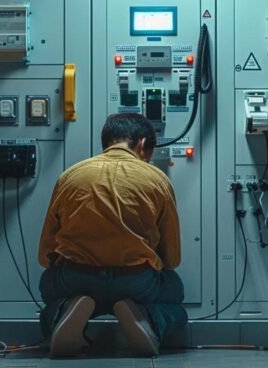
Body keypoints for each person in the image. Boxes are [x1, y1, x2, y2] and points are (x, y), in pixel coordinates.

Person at [37, 113, 186, 357]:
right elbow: (172, 258)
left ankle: (63, 313)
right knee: (176, 292)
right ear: (141, 145)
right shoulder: (157, 180)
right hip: (136, 281)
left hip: (77, 278)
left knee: (47, 283)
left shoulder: (70, 176)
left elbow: (45, 253)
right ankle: (146, 319)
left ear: (106, 142)